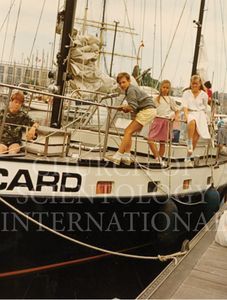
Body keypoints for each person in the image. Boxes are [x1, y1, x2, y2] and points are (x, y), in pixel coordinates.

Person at [106, 72, 156, 165]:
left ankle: (118, 156)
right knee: (129, 132)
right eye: (120, 83)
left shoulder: (131, 90)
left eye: (124, 82)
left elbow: (132, 106)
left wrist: (123, 106)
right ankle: (126, 156)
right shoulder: (130, 89)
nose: (122, 85)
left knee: (128, 131)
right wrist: (125, 108)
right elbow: (134, 107)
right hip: (148, 110)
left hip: (147, 110)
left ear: (129, 81)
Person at [148, 80, 180, 164]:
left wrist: (175, 117)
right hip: (156, 120)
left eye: (167, 88)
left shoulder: (170, 99)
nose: (165, 89)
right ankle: (157, 157)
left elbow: (176, 110)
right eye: (164, 87)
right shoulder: (156, 98)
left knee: (162, 142)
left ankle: (159, 160)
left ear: (169, 89)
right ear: (161, 88)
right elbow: (151, 108)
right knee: (150, 139)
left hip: (165, 121)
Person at [182, 75, 210, 166]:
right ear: (191, 83)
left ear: (199, 84)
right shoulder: (186, 93)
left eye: (196, 84)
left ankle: (188, 157)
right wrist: (186, 116)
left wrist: (207, 118)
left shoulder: (204, 94)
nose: (194, 85)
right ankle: (189, 142)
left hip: (200, 115)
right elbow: (185, 107)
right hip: (190, 113)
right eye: (193, 83)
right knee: (192, 121)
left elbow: (205, 107)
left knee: (196, 138)